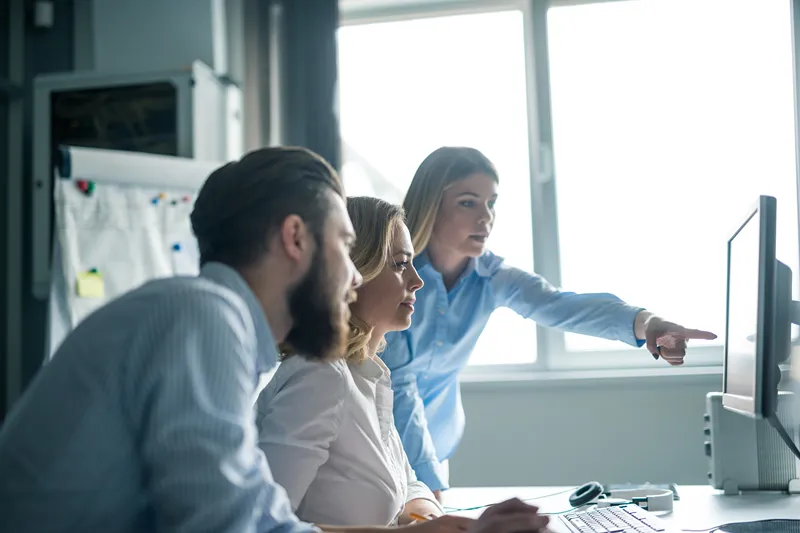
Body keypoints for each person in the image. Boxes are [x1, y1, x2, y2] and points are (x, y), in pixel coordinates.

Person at [0, 146, 550, 533]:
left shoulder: (211, 324)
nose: (356, 276)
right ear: (295, 238)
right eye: (344, 244)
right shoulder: (205, 318)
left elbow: (260, 519)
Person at [381, 146, 719, 499]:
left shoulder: (492, 277)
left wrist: (647, 323)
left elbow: (560, 305)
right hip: (381, 445)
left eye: (491, 203)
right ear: (431, 204)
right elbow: (399, 388)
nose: (486, 217)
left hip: (435, 447)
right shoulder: (395, 277)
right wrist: (429, 483)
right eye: (468, 202)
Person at [256, 197, 445, 528]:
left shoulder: (366, 374)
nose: (417, 281)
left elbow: (407, 483)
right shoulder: (320, 377)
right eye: (400, 264)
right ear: (354, 271)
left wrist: (426, 517)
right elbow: (265, 525)